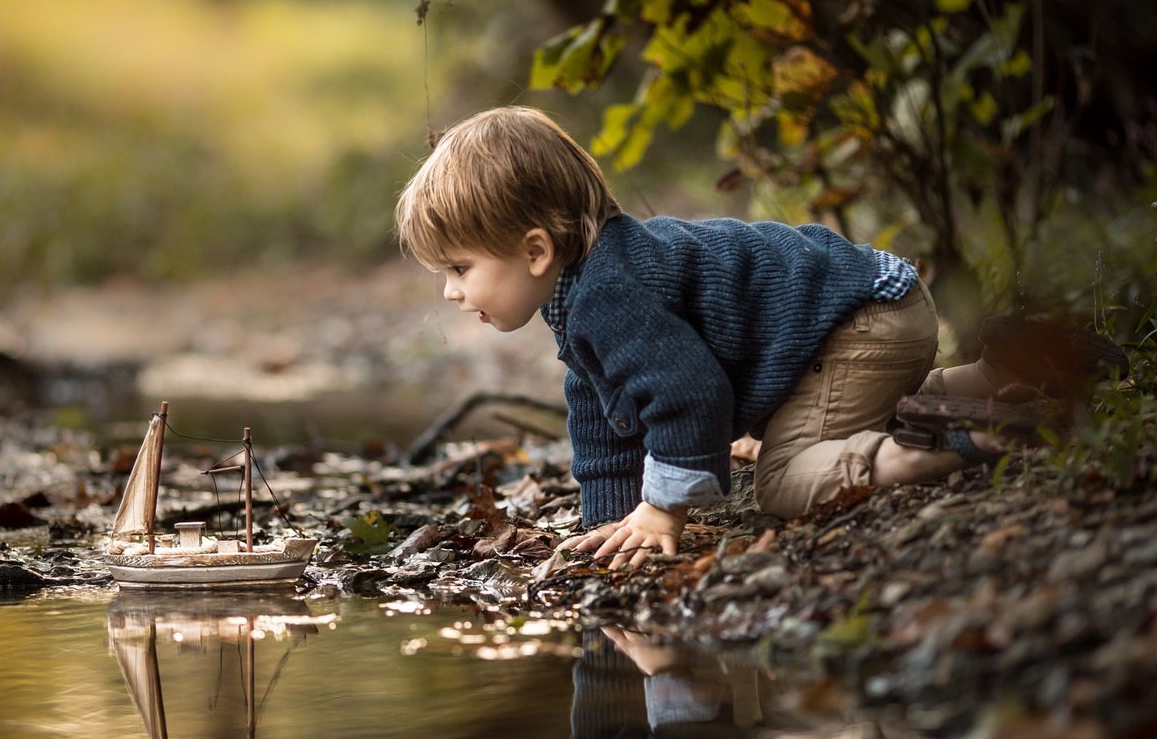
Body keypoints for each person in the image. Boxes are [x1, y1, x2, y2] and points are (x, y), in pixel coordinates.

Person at [395, 106, 1125, 569]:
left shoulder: (609, 294)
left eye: (460, 267)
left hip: (858, 325)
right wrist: (613, 521)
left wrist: (665, 509)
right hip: (875, 309)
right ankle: (1009, 375)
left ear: (533, 251)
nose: (453, 292)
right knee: (846, 411)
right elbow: (602, 413)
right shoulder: (588, 289)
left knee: (780, 478)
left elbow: (689, 392)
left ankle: (967, 442)